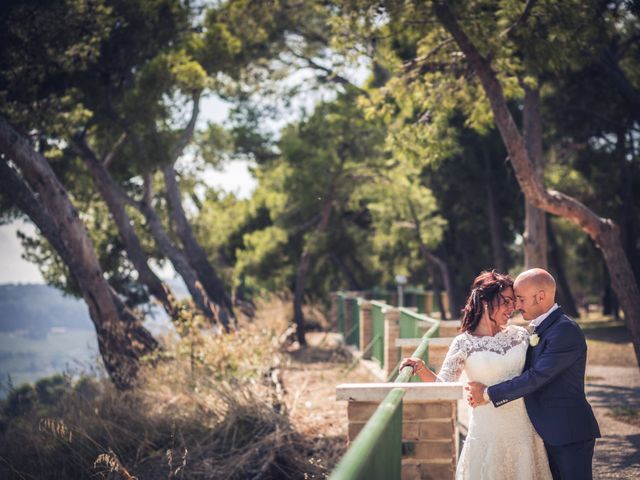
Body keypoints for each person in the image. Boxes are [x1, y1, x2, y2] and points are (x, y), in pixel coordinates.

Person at [401, 270, 552, 480]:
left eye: (514, 301)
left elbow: (535, 376)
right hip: (486, 432)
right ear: (486, 301)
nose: (513, 308)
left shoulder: (520, 336)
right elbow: (445, 385)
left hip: (523, 430)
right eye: (507, 301)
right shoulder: (464, 343)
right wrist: (421, 368)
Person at [466, 268, 600, 480]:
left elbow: (536, 377)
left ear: (541, 296)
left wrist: (488, 393)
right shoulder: (542, 329)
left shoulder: (564, 330)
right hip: (547, 431)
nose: (516, 306)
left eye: (520, 299)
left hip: (568, 433)